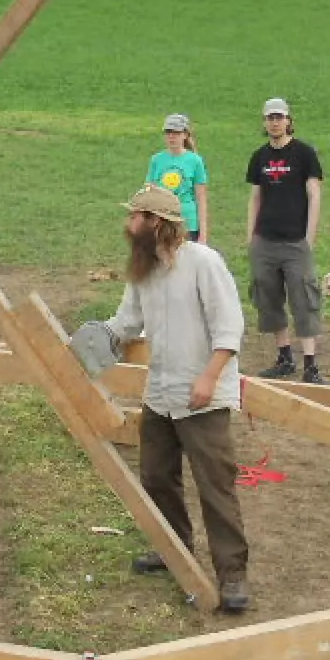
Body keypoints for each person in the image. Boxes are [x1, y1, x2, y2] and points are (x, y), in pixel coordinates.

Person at [107, 184, 251, 613]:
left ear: (156, 223)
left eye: (135, 217)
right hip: (162, 393)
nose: (128, 225)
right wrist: (86, 343)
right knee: (156, 477)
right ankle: (174, 551)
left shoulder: (204, 263)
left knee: (216, 487)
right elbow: (126, 323)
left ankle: (233, 575)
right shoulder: (144, 268)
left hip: (201, 395)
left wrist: (208, 379)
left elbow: (229, 328)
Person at [245, 97, 324, 383]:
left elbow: (314, 194)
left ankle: (311, 365)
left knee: (303, 298)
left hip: (295, 242)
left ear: (289, 120)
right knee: (268, 298)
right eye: (270, 118)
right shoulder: (259, 157)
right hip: (265, 241)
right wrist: (251, 236)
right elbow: (256, 197)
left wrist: (308, 238)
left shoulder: (304, 154)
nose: (275, 122)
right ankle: (284, 356)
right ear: (264, 122)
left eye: (279, 117)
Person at [147, 112, 210, 244]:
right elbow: (150, 193)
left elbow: (201, 198)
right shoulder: (156, 160)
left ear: (185, 135)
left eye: (176, 133)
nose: (171, 137)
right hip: (162, 223)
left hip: (187, 224)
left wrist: (203, 234)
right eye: (168, 132)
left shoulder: (195, 161)